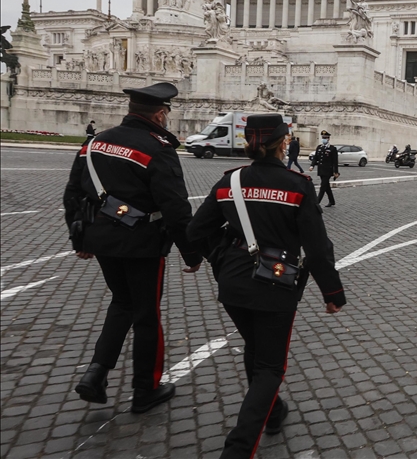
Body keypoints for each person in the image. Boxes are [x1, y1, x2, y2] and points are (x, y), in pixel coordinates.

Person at [186, 114, 346, 459]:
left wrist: (221, 258)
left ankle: (272, 412)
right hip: (276, 284)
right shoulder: (297, 185)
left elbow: (196, 231)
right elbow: (318, 249)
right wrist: (332, 294)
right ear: (284, 142)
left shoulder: (230, 181)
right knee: (271, 367)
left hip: (232, 285)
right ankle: (239, 448)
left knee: (256, 349)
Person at [62, 82, 203, 413]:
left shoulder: (94, 143)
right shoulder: (157, 149)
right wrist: (192, 252)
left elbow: (73, 193)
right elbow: (176, 209)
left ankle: (96, 375)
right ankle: (146, 389)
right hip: (144, 243)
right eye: (166, 113)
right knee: (146, 315)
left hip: (103, 242)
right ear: (159, 114)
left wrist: (80, 239)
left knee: (122, 303)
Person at [310, 130, 339, 207]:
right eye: (323, 137)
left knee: (323, 186)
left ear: (328, 139)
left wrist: (336, 172)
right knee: (326, 186)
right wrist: (312, 165)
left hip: (328, 171)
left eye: (325, 138)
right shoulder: (319, 147)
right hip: (321, 170)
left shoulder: (332, 148)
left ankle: (316, 203)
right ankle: (332, 201)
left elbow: (335, 161)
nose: (324, 139)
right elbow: (315, 158)